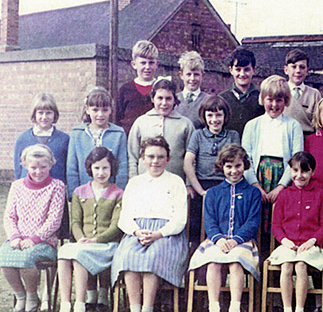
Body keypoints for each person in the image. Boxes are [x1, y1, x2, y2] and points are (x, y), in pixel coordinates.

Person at [111, 136, 189, 312]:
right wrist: (137, 231)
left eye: (160, 157)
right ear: (143, 159)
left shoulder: (176, 182)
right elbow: (125, 216)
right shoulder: (135, 183)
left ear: (168, 159)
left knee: (152, 257)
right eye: (151, 156)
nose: (155, 161)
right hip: (138, 230)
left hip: (167, 234)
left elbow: (180, 219)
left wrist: (158, 234)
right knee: (129, 256)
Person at [187, 144, 261, 312]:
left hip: (242, 241)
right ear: (222, 167)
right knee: (214, 263)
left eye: (237, 166)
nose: (234, 171)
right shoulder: (212, 193)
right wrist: (219, 239)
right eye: (229, 166)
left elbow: (253, 223)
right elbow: (210, 223)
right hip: (216, 240)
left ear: (244, 166)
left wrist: (235, 240)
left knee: (236, 263)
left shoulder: (253, 193)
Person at [52, 147, 123, 312]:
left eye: (105, 168)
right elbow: (75, 221)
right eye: (97, 168)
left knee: (78, 256)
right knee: (64, 252)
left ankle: (80, 309)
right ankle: (65, 307)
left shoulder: (118, 193)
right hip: (84, 243)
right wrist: (81, 238)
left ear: (112, 169)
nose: (101, 173)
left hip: (107, 246)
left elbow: (116, 226)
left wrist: (97, 240)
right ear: (90, 168)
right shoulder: (79, 192)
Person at [12, 92, 70, 310]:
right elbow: (19, 172)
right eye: (40, 112)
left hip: (55, 200)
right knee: (29, 247)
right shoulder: (23, 138)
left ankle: (48, 294)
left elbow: (67, 168)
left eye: (48, 112)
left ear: (54, 115)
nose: (44, 117)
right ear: (34, 115)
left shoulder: (64, 139)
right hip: (30, 202)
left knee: (52, 245)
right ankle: (31, 292)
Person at [266, 151, 323, 312]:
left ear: (312, 172)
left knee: (301, 265)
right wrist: (284, 240)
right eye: (295, 170)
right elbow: (276, 225)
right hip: (289, 244)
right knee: (287, 266)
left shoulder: (319, 195)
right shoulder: (285, 195)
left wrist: (313, 240)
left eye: (305, 171)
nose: (299, 175)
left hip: (310, 246)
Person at [0, 144, 65, 312]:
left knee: (27, 258)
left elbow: (54, 220)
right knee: (4, 256)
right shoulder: (17, 186)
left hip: (44, 242)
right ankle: (21, 296)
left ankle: (32, 297)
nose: (38, 171)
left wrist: (34, 239)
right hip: (19, 239)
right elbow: (9, 216)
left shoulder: (57, 187)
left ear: (51, 165)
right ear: (26, 165)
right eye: (33, 167)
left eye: (43, 167)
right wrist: (14, 237)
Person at [242, 75, 303, 257]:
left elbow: (295, 159)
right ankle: (257, 271)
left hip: (283, 180)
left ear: (286, 101)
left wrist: (281, 186)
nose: (274, 105)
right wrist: (255, 185)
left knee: (280, 225)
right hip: (257, 181)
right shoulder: (253, 125)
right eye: (270, 99)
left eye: (279, 100)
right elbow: (246, 160)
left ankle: (276, 273)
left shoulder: (293, 126)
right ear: (263, 99)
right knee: (258, 225)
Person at [183, 95, 240, 244]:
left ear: (225, 115)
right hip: (202, 186)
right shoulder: (198, 135)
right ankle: (196, 254)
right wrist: (200, 190)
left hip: (225, 186)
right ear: (204, 116)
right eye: (210, 115)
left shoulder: (232, 135)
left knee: (223, 223)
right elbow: (188, 163)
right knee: (197, 225)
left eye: (218, 115)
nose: (214, 119)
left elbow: (236, 161)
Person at [127, 77, 194, 182]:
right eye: (160, 98)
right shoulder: (141, 122)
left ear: (174, 100)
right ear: (152, 99)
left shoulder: (185, 124)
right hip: (145, 183)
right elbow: (132, 156)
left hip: (175, 183)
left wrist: (189, 183)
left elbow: (191, 158)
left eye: (168, 98)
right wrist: (134, 181)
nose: (164, 103)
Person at [217, 46, 265, 139]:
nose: (242, 74)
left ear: (254, 70)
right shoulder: (222, 99)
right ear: (231, 70)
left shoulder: (262, 98)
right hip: (228, 150)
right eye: (238, 69)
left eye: (246, 69)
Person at [116, 40, 159, 134]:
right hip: (129, 141)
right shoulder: (125, 90)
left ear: (157, 64)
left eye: (151, 63)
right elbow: (117, 120)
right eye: (143, 63)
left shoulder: (161, 89)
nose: (147, 67)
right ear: (134, 64)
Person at [282, 49, 321, 136]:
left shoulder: (314, 94)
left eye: (302, 67)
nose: (298, 71)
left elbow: (318, 124)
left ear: (307, 71)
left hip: (307, 140)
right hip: (283, 137)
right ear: (286, 70)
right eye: (294, 67)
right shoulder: (280, 91)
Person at [174, 51, 209, 130]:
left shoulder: (208, 101)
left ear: (202, 75)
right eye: (188, 74)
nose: (192, 79)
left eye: (196, 74)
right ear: (181, 75)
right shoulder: (173, 99)